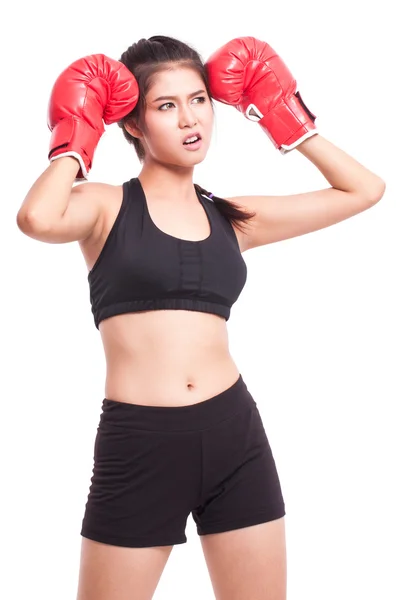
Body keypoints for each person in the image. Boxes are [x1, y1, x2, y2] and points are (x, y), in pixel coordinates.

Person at [16, 35, 385, 600]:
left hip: (235, 436)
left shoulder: (233, 217)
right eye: (167, 106)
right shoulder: (104, 206)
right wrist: (74, 137)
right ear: (134, 124)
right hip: (141, 442)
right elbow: (37, 219)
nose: (191, 119)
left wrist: (286, 118)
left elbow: (365, 189)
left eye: (200, 100)